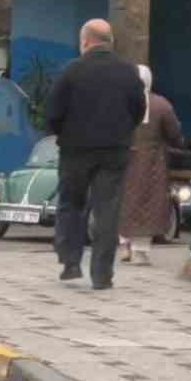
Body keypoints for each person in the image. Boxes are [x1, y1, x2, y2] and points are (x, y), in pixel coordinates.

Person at [44, 19, 145, 290]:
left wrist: (61, 133)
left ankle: (71, 262)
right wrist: (121, 132)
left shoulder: (71, 71)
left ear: (86, 41)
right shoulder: (128, 72)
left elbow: (53, 112)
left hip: (76, 151)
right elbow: (138, 109)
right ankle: (102, 274)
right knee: (107, 210)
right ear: (109, 41)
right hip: (114, 151)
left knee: (71, 204)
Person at [117, 65, 184, 266]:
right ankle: (139, 251)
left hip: (123, 159)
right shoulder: (161, 105)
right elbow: (174, 134)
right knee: (147, 202)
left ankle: (123, 244)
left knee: (124, 199)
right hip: (151, 163)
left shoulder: (119, 103)